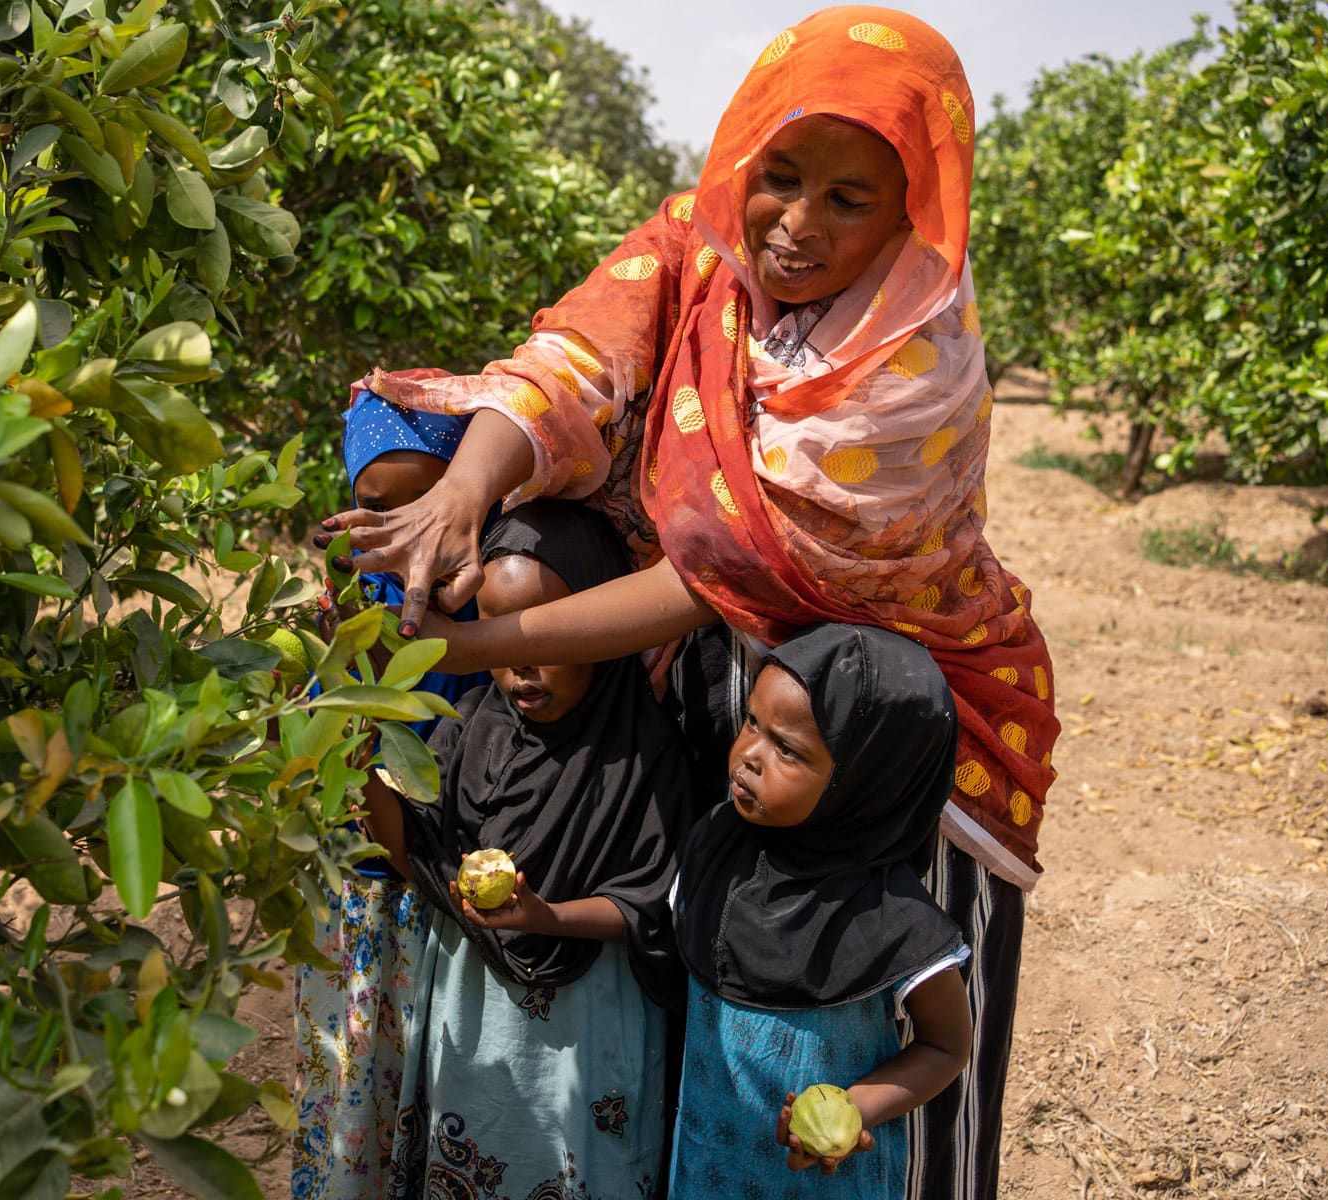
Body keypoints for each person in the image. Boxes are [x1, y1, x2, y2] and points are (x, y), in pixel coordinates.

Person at [316, 8, 1056, 1197]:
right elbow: (576, 358)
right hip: (744, 698)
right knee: (721, 1009)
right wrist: (463, 490)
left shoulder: (912, 368)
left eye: (850, 199)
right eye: (780, 175)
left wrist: (480, 638)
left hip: (882, 732)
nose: (796, 223)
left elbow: (708, 574)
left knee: (874, 1015)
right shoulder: (696, 251)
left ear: (913, 205)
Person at [359, 501, 689, 1200]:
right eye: (500, 642)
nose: (522, 668)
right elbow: (412, 851)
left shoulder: (644, 754)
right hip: (473, 1019)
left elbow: (652, 902)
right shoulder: (471, 728)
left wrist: (549, 918)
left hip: (590, 1029)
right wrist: (353, 766)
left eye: (550, 637)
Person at [671, 623, 971, 1197]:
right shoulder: (715, 847)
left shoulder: (894, 920)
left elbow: (946, 1045)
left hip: (824, 1181)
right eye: (752, 723)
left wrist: (855, 1109)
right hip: (708, 1160)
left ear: (864, 784)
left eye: (787, 749)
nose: (750, 756)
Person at [292, 392, 491, 1200]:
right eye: (378, 509)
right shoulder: (347, 623)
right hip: (360, 907)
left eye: (428, 504)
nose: (405, 532)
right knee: (353, 1102)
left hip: (453, 905)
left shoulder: (506, 616)